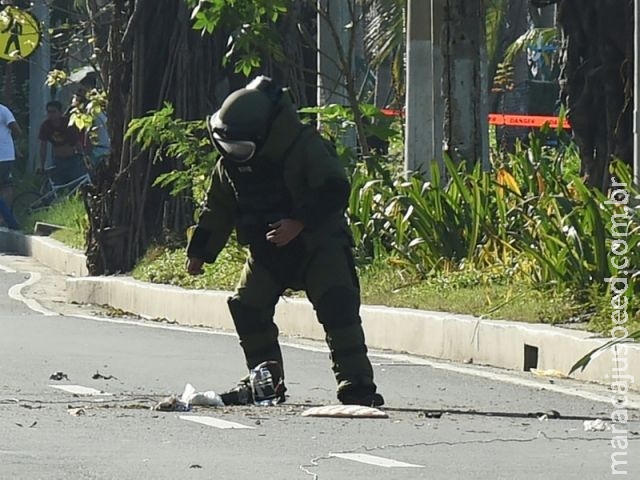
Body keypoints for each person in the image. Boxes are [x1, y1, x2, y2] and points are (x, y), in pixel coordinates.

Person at [185, 76, 384, 407]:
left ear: (264, 135)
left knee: (338, 307)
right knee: (247, 308)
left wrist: (299, 222)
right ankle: (266, 382)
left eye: (240, 147)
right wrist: (200, 253)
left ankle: (357, 384)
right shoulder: (228, 167)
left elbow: (334, 188)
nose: (234, 154)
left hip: (319, 244)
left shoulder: (305, 147)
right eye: (227, 146)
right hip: (267, 251)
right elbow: (216, 209)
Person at [38, 100, 86, 186]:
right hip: (58, 161)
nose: (51, 115)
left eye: (53, 112)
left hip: (72, 160)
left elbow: (77, 143)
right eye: (49, 112)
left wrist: (83, 158)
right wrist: (42, 165)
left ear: (60, 112)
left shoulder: (68, 124)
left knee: (76, 186)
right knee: (57, 186)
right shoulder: (46, 126)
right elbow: (43, 147)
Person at [71, 72, 111, 166]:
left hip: (97, 151)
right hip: (103, 150)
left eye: (80, 90)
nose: (77, 94)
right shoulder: (98, 106)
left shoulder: (91, 109)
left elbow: (87, 135)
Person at [0, 103, 21, 229]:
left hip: (4, 155)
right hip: (5, 155)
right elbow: (17, 131)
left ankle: (6, 218)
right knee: (6, 186)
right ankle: (8, 218)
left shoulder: (2, 110)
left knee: (5, 186)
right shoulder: (3, 110)